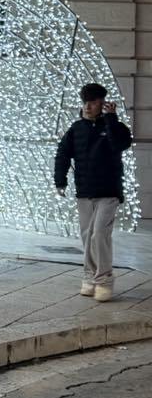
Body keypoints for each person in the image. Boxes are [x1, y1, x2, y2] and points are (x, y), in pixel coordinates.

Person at [54, 83, 132, 303]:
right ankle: (89, 276)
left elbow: (120, 145)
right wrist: (60, 181)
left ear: (102, 103)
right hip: (85, 191)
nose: (88, 107)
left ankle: (104, 279)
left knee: (99, 233)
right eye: (85, 102)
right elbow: (62, 154)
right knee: (87, 235)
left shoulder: (115, 126)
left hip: (109, 191)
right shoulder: (76, 129)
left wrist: (111, 119)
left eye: (93, 103)